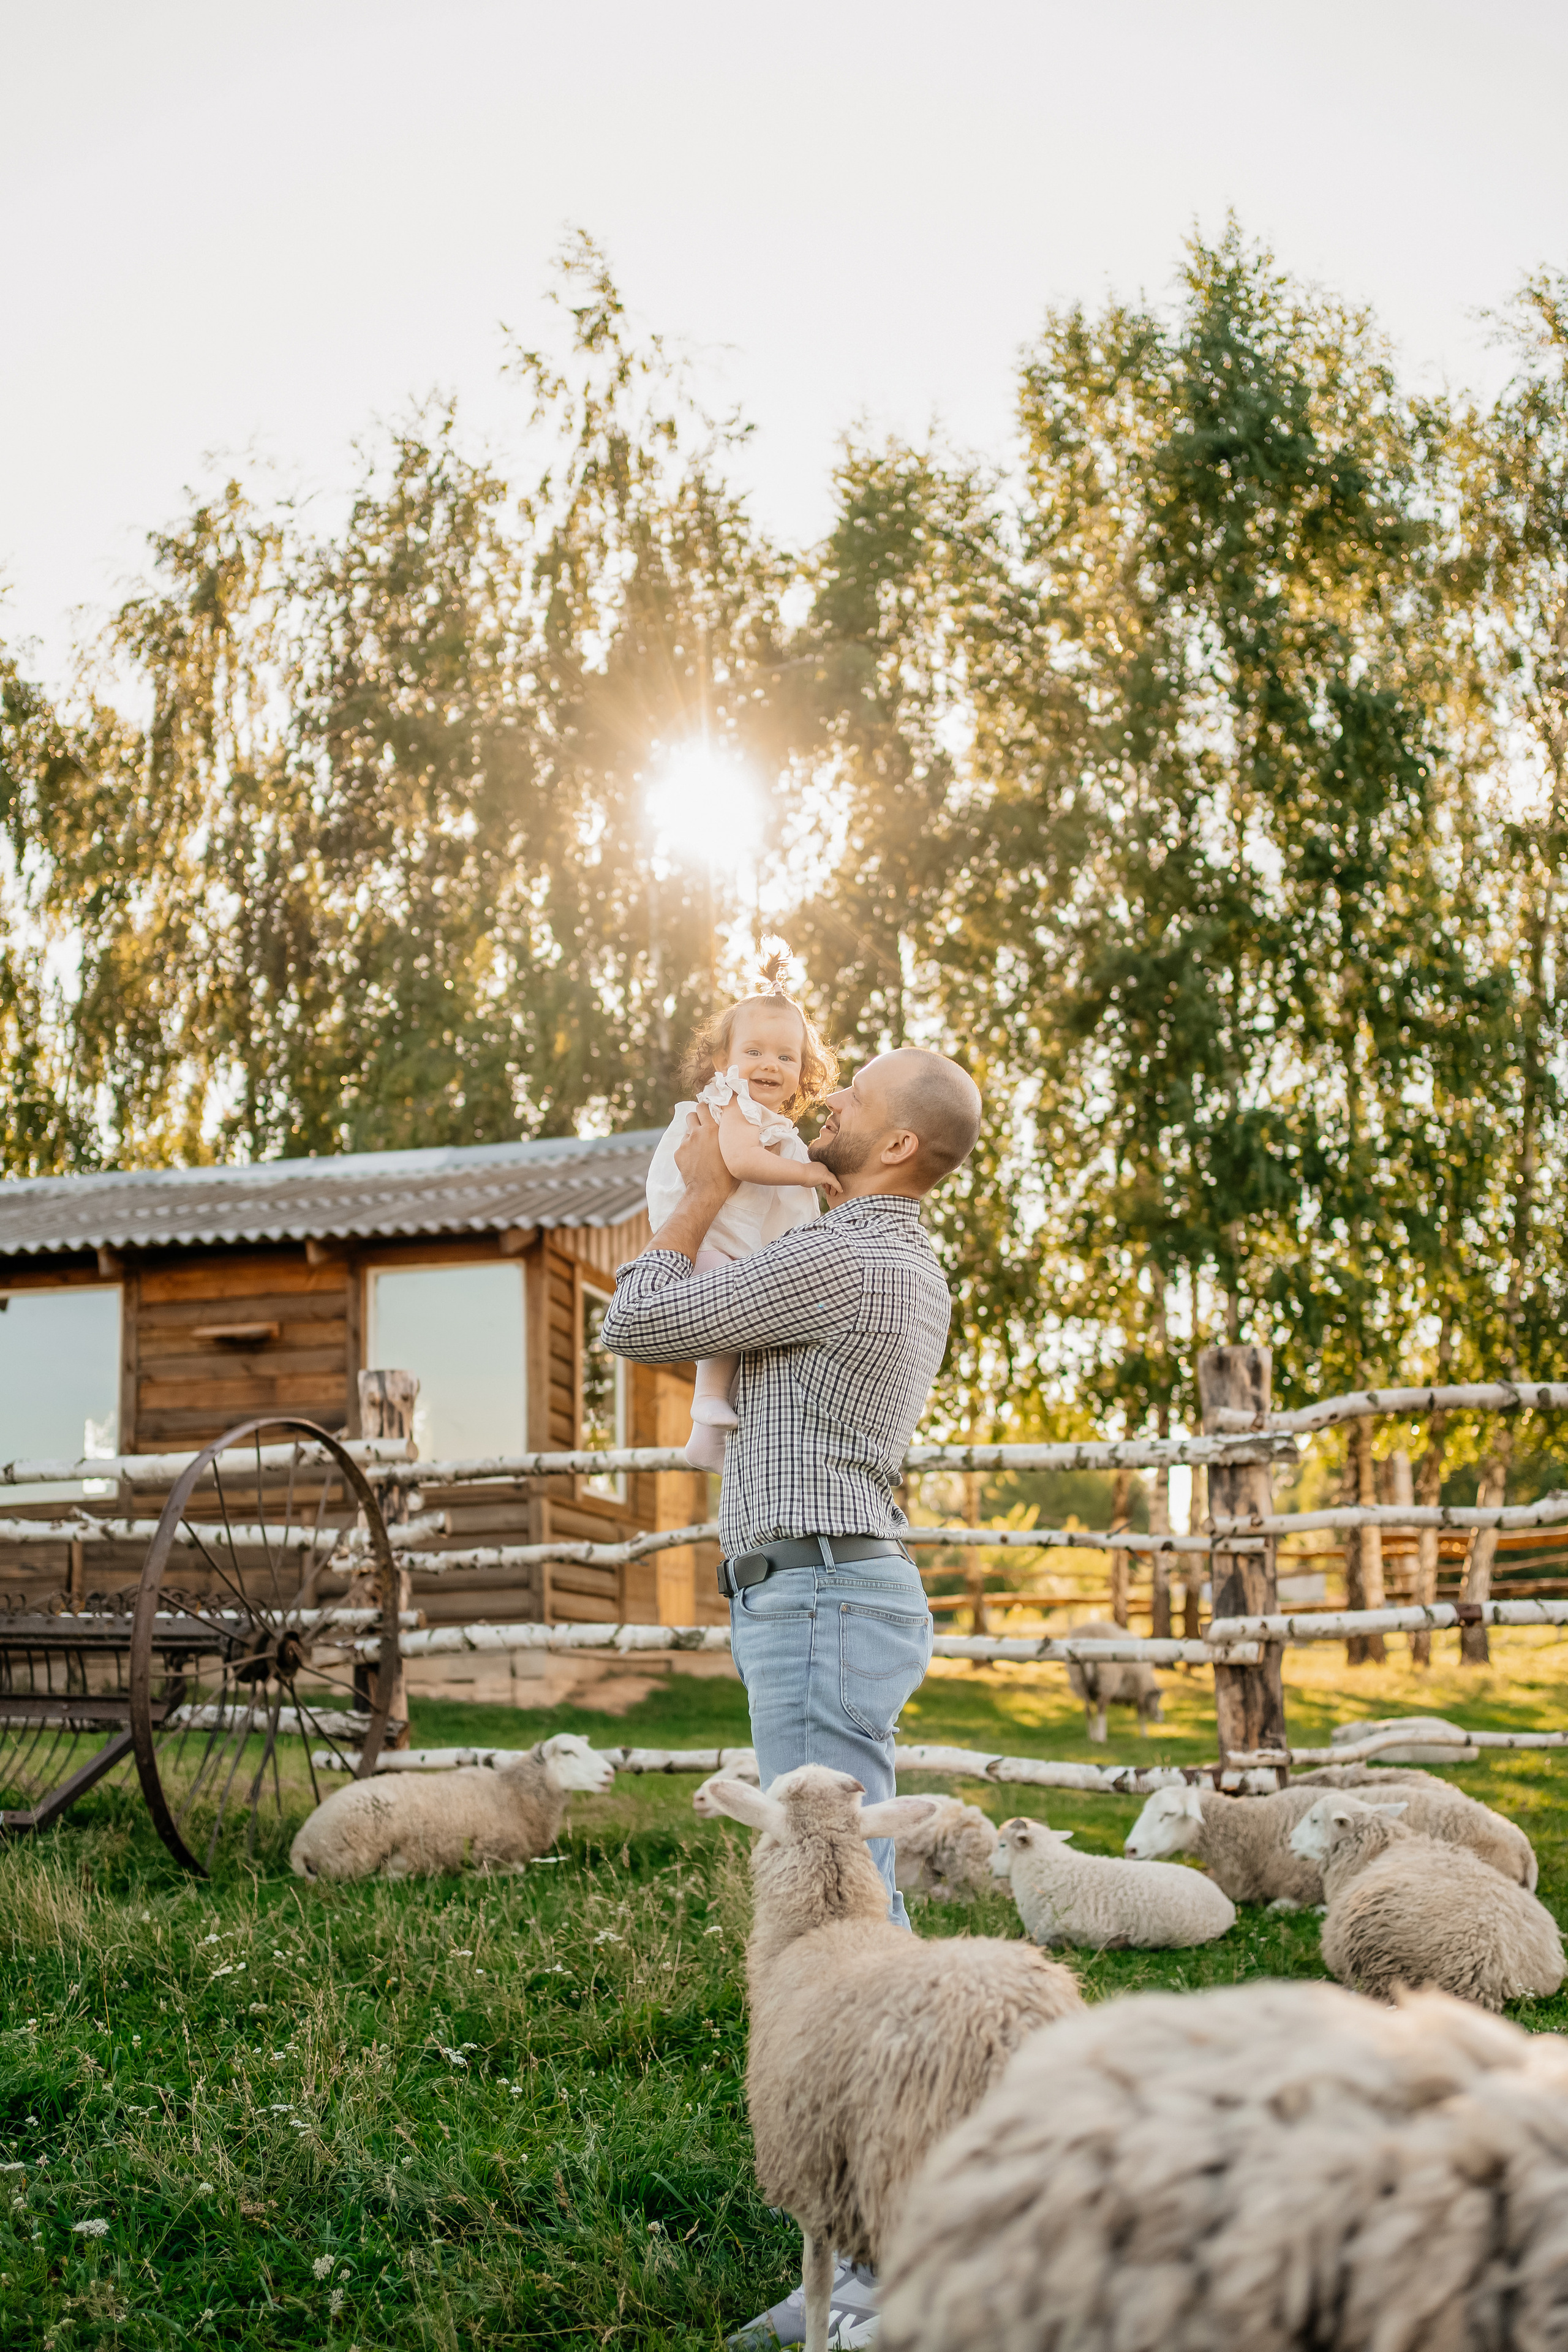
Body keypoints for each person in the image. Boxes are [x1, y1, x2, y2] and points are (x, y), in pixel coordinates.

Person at [599, 1044, 982, 2346]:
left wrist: (704, 1189)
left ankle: (885, 2276)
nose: (826, 1100)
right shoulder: (871, 1253)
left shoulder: (851, 1252)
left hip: (819, 1591)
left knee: (842, 1920)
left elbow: (639, 1322)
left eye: (853, 1094)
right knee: (851, 1907)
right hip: (824, 1586)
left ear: (897, 1147)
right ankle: (887, 2242)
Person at [645, 978, 843, 1471]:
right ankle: (708, 1400)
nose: (769, 1064)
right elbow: (740, 1161)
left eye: (786, 1056)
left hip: (733, 1237)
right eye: (754, 1051)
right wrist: (809, 1173)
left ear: (803, 1072)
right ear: (722, 1060)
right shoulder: (733, 1102)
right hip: (710, 1238)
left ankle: (705, 1438)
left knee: (743, 1323)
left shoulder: (766, 1122)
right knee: (728, 1304)